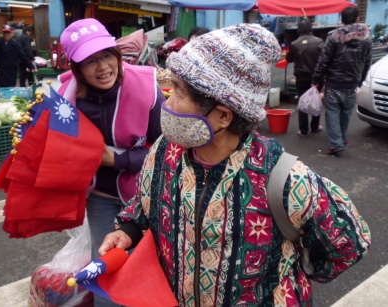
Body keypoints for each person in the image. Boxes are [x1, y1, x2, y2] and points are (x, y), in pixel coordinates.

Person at [99, 24, 371, 306]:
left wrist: (286, 283)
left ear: (223, 116)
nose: (168, 98)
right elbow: (144, 208)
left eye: (178, 91)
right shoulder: (164, 152)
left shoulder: (284, 179)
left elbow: (346, 246)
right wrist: (127, 232)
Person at [58, 18, 164, 307]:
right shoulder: (66, 99)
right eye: (90, 61)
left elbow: (166, 151)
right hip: (101, 197)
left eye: (107, 55)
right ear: (76, 68)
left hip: (146, 197)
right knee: (105, 268)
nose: (103, 67)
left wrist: (115, 158)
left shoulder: (148, 87)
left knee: (152, 268)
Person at [312, 7, 372, 154]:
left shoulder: (333, 37)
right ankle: (342, 138)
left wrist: (316, 79)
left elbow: (324, 60)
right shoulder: (367, 39)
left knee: (332, 112)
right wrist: (360, 80)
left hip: (333, 83)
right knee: (346, 112)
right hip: (352, 83)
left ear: (342, 20)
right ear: (358, 19)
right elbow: (367, 62)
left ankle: (336, 143)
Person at [286, 19, 324, 137]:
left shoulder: (294, 44)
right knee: (316, 100)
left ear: (299, 30)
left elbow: (289, 59)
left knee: (302, 102)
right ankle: (315, 126)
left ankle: (303, 130)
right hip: (317, 78)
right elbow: (324, 60)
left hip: (301, 78)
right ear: (311, 29)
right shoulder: (319, 42)